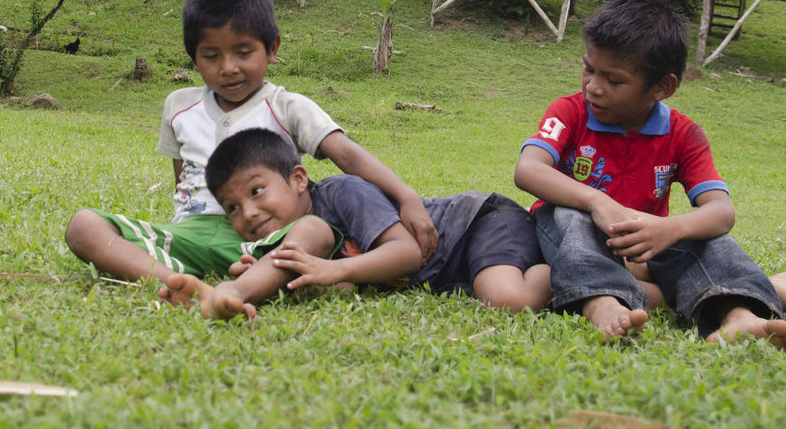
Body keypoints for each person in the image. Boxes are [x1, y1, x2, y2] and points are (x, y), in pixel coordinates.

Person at [65, 0, 437, 287]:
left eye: (243, 52)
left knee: (315, 232)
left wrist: (407, 198)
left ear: (271, 48)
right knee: (84, 226)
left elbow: (347, 154)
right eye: (211, 56)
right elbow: (184, 180)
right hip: (188, 235)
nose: (228, 68)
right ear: (193, 57)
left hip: (268, 241)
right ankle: (180, 282)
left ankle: (247, 282)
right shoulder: (178, 106)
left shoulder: (287, 106)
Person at [513, 0, 786, 349]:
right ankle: (603, 302)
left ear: (663, 86)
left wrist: (670, 228)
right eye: (589, 69)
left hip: (644, 246)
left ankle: (740, 314)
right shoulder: (570, 112)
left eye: (614, 80)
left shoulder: (683, 134)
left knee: (710, 243)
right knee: (569, 216)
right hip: (571, 238)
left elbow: (721, 211)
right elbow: (528, 169)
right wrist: (595, 202)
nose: (593, 87)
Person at [163, 127, 550, 320]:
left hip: (478, 225)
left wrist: (332, 270)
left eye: (257, 191)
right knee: (482, 295)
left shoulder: (344, 192)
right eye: (231, 208)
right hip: (447, 275)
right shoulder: (299, 232)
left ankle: (556, 266)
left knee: (505, 301)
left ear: (299, 179)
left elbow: (408, 252)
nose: (246, 213)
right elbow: (349, 278)